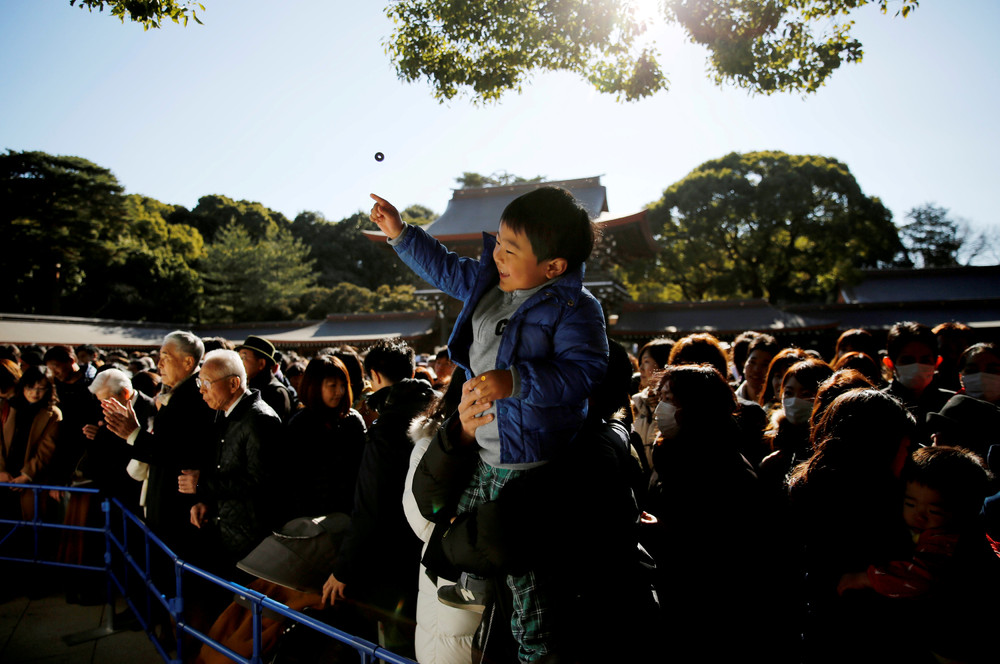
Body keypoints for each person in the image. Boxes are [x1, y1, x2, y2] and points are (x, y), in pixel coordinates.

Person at [368, 187, 609, 662]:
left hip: (529, 462)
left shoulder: (576, 308)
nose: (496, 254)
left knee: (525, 574)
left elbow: (585, 372)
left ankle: (536, 650)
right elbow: (445, 267)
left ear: (553, 267)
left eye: (510, 249)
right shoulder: (491, 284)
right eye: (497, 242)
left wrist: (516, 379)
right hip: (483, 447)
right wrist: (400, 233)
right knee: (451, 534)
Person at [321, 338, 436, 658]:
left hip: (394, 559)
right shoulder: (441, 408)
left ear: (374, 375)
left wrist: (344, 569)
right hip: (437, 550)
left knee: (394, 643)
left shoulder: (387, 426)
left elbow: (370, 507)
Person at [787, 389, 917, 663]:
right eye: (906, 447)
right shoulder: (885, 503)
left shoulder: (808, 488)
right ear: (883, 446)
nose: (910, 455)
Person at [836, 446, 1000, 662]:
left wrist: (863, 578)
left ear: (963, 510)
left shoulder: (948, 540)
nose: (919, 516)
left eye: (933, 511)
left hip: (957, 641)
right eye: (910, 503)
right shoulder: (936, 530)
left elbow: (917, 579)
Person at [102, 331, 216, 559]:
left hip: (178, 505)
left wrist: (134, 433)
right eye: (160, 356)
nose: (159, 363)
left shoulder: (194, 396)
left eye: (166, 356)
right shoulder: (177, 393)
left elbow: (176, 452)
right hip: (165, 499)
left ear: (188, 361)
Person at [180, 349, 283, 573]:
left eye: (207, 382)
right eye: (200, 382)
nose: (201, 390)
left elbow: (260, 483)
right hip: (227, 529)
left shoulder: (260, 419)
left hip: (251, 539)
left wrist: (202, 484)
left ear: (234, 383)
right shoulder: (227, 412)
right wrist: (206, 500)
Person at [284, 355, 367, 519]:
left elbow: (363, 470)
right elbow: (292, 480)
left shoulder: (352, 421)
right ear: (314, 386)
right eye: (332, 385)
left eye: (343, 385)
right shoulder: (299, 425)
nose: (339, 392)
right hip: (311, 517)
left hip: (350, 513)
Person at [0, 365, 61, 520]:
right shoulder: (6, 406)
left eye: (41, 388)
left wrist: (27, 475)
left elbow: (47, 449)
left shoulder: (52, 413)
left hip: (32, 478)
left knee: (29, 525)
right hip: (4, 474)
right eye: (30, 387)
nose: (35, 393)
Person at [882, 321, 953, 447]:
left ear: (937, 362)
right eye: (907, 360)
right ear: (890, 364)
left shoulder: (952, 404)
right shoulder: (878, 404)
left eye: (925, 360)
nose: (916, 366)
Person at [630, 337, 674, 478]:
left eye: (646, 362)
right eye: (640, 362)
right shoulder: (636, 404)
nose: (641, 368)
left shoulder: (673, 406)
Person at [235, 336, 293, 423]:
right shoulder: (249, 386)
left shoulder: (276, 392)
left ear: (261, 363)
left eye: (243, 358)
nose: (239, 363)